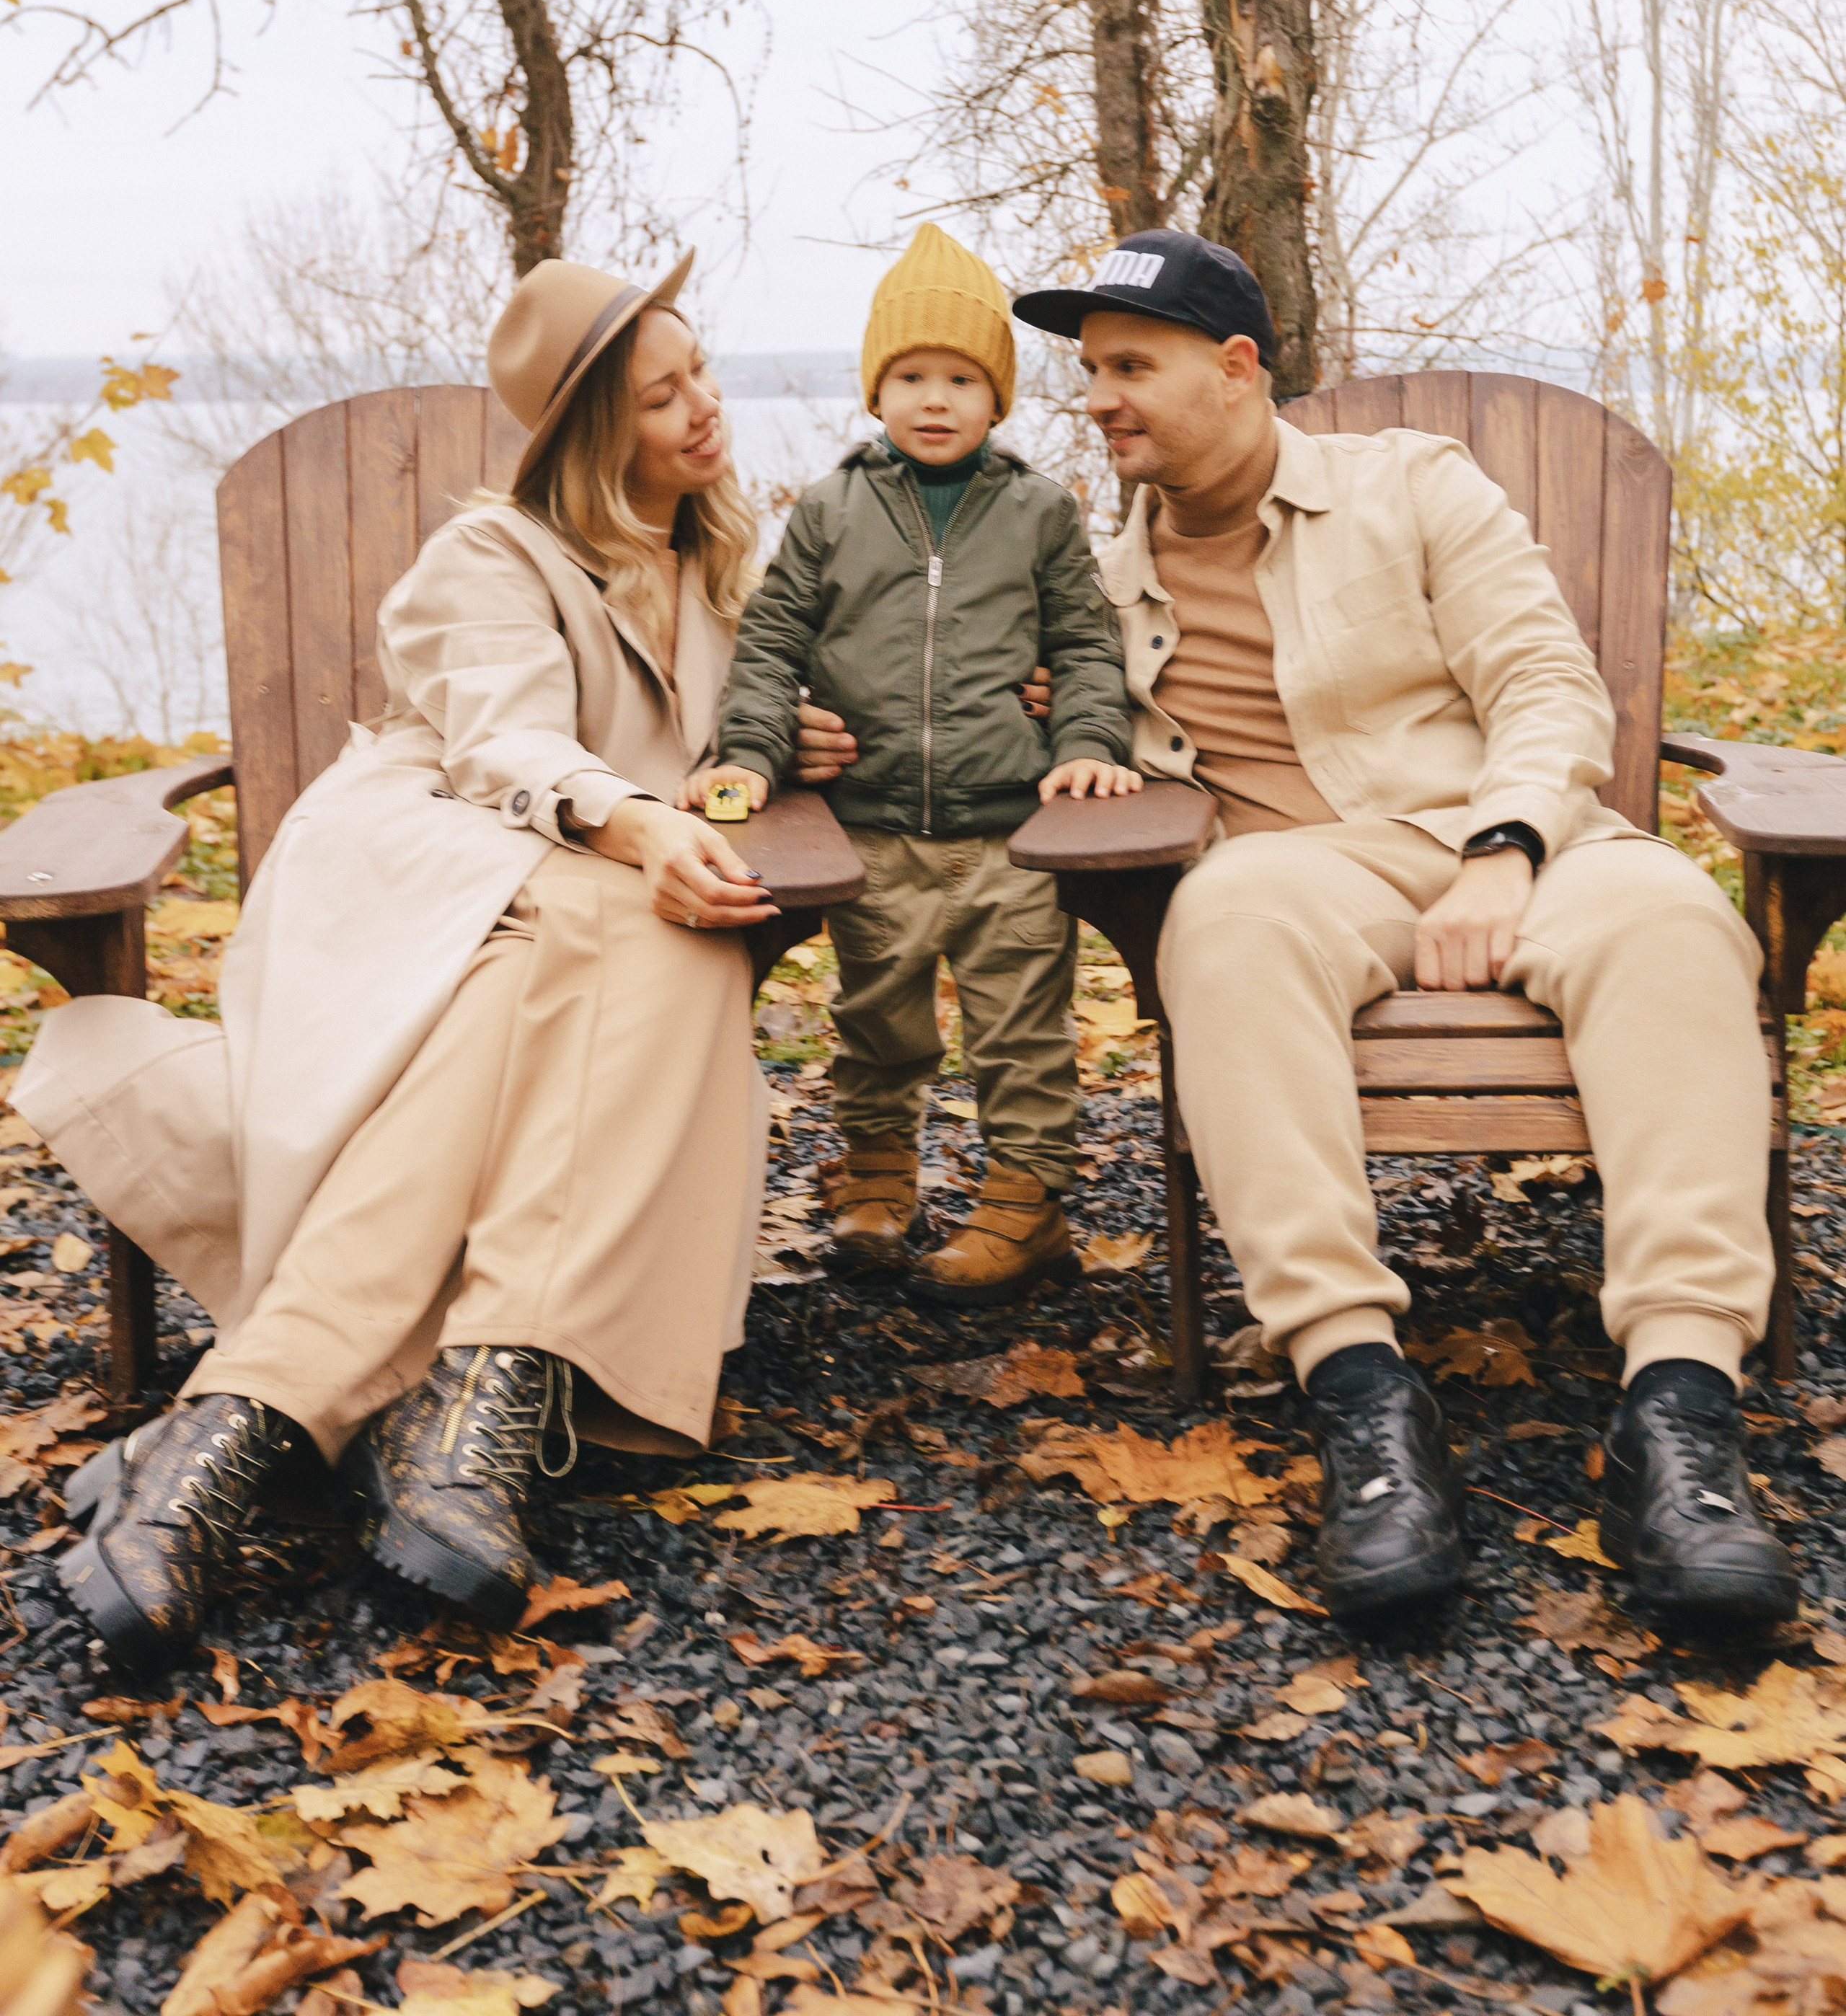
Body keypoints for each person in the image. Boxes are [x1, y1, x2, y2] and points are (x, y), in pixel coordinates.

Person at [22, 253, 834, 1666]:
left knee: (659, 942)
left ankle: (226, 1442)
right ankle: (467, 1421)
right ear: (593, 438)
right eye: (660, 398)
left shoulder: (716, 573)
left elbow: (722, 738)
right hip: (421, 875)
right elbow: (509, 743)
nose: (703, 409)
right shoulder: (492, 558)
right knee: (640, 925)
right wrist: (640, 820)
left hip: (575, 913)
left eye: (700, 372)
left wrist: (793, 742)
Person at [1010, 229, 1796, 1624]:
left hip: (1523, 831)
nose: (1100, 397)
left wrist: (1503, 849)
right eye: (1092, 372)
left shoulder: (1413, 485)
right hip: (1309, 872)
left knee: (1679, 921)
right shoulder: (1096, 581)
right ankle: (1365, 1403)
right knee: (1226, 917)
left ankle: (1681, 1421)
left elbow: (1548, 682)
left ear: (1239, 368)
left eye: (1132, 366)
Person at [700, 224, 1139, 1306]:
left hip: (1009, 833)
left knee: (1020, 1024)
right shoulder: (831, 512)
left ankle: (1025, 1202)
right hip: (878, 825)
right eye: (909, 377)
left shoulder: (1038, 512)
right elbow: (769, 646)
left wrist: (1087, 742)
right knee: (878, 1019)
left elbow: (1085, 644)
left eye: (959, 378)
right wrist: (754, 755)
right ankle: (879, 1180)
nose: (934, 399)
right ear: (874, 392)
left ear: (997, 400)